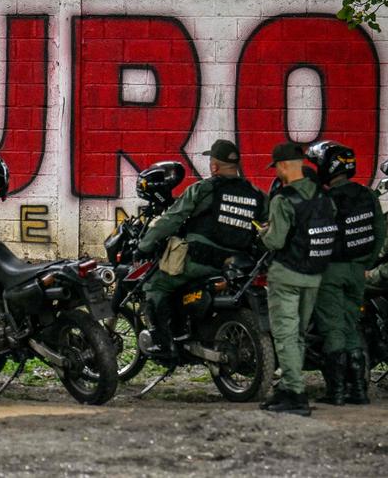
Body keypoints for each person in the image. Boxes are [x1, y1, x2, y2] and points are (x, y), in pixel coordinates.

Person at [135, 139, 267, 359]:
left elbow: (172, 219)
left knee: (155, 284)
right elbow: (268, 226)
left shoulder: (203, 189)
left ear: (214, 166)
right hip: (236, 265)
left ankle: (162, 343)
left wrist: (144, 245)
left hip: (199, 261)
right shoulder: (256, 194)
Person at [259, 142, 338, 416]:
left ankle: (295, 394)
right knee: (299, 335)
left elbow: (276, 240)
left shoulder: (283, 199)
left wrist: (264, 234)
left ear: (282, 166)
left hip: (287, 276)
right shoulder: (323, 195)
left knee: (285, 336)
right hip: (313, 276)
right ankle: (287, 386)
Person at [306, 141, 384, 405]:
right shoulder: (367, 195)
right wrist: (366, 263)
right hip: (357, 271)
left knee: (333, 329)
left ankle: (336, 392)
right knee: (351, 326)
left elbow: (315, 238)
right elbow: (379, 233)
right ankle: (359, 391)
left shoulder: (326, 199)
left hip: (331, 272)